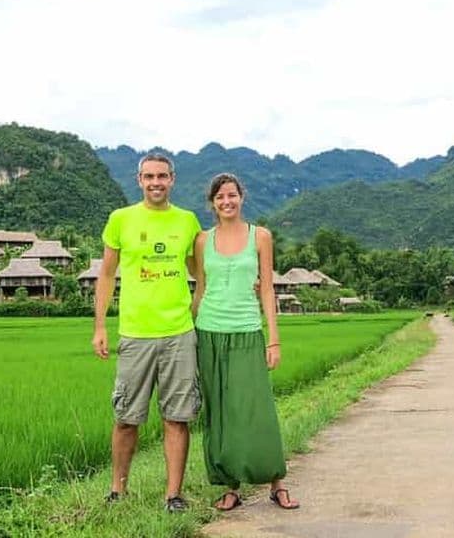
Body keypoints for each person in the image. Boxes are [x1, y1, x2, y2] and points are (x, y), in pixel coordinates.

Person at [92, 153, 202, 513]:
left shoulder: (187, 221)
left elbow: (200, 272)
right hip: (135, 332)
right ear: (138, 179)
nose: (156, 182)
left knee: (177, 416)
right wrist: (100, 327)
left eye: (162, 176)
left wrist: (195, 307)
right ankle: (118, 490)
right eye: (149, 176)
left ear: (173, 179)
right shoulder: (121, 219)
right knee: (126, 417)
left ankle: (173, 495)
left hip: (178, 333)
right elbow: (107, 274)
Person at [191, 172, 299, 511]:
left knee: (256, 409)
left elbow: (266, 289)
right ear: (212, 203)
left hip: (248, 332)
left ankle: (276, 482)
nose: (226, 201)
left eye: (232, 195)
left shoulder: (261, 237)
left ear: (242, 198)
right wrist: (186, 330)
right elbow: (200, 289)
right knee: (219, 412)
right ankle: (230, 485)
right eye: (220, 197)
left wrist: (274, 339)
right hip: (208, 331)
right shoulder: (201, 241)